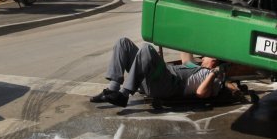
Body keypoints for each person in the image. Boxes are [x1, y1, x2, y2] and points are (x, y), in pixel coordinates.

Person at [91, 37, 225, 107]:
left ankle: (124, 94)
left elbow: (201, 93)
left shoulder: (211, 76)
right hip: (157, 77)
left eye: (206, 55)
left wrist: (214, 73)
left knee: (146, 49)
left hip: (167, 85)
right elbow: (185, 52)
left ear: (213, 60)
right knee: (123, 42)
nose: (203, 56)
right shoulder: (194, 65)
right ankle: (113, 89)